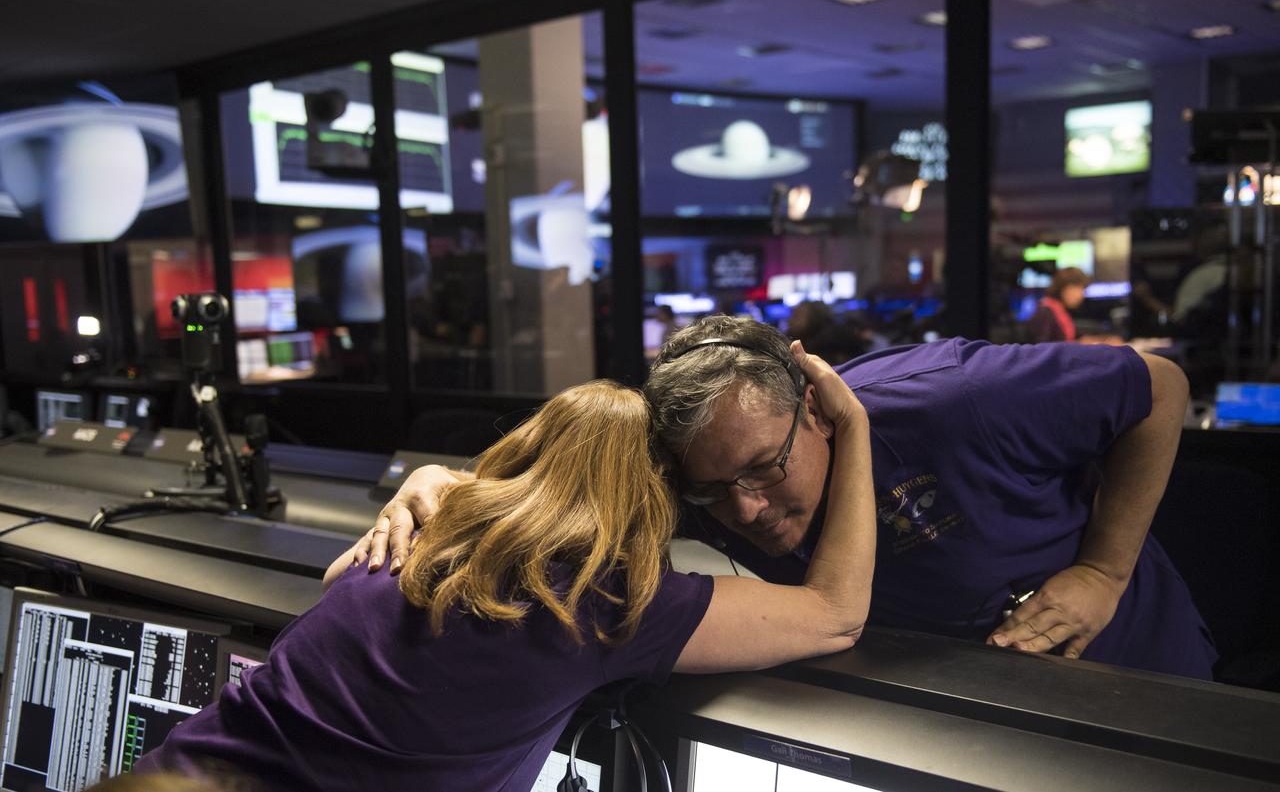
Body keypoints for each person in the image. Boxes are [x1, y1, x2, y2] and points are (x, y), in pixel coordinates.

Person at [138, 354, 877, 791]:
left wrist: (441, 485)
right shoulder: (605, 604)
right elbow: (836, 611)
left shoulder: (412, 544)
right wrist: (855, 428)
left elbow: (338, 581)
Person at [368, 316, 1216, 680]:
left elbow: (1160, 386)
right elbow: (551, 487)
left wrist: (1104, 570)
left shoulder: (955, 400)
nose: (743, 511)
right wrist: (440, 484)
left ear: (814, 405)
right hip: (942, 690)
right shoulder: (693, 466)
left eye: (767, 469)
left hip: (1128, 665)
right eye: (711, 489)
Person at [1027, 267, 1088, 343]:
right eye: (1076, 288)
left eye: (1083, 289)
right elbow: (1043, 349)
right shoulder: (1045, 311)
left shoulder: (1059, 309)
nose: (1080, 295)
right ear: (1062, 288)